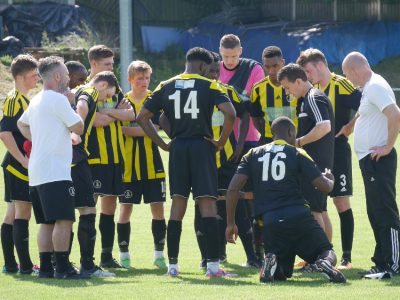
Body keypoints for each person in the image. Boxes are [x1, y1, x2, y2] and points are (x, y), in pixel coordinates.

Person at [137, 47, 236, 277]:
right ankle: (212, 267)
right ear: (202, 66)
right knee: (208, 204)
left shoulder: (165, 85)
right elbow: (230, 113)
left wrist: (163, 144)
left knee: (178, 205)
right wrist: (220, 142)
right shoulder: (209, 85)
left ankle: (172, 267)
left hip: (179, 148)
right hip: (202, 147)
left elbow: (142, 117)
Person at [225, 116, 346, 284]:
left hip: (271, 222)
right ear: (290, 132)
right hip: (299, 216)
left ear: (273, 133)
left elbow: (233, 189)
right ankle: (324, 263)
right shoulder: (297, 152)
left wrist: (231, 223)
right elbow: (324, 186)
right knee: (326, 251)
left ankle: (270, 262)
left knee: (281, 273)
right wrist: (330, 179)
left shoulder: (252, 154)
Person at [17, 56, 85, 279]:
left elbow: (21, 124)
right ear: (57, 76)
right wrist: (73, 103)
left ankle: (46, 268)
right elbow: (79, 126)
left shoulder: (36, 99)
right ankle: (63, 268)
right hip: (55, 170)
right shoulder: (58, 100)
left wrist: (39, 138)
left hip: (37, 171)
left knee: (46, 222)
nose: (68, 77)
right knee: (64, 219)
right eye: (65, 74)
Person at [297, 48, 361, 269]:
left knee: (341, 202)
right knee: (319, 207)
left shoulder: (341, 83)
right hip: (320, 155)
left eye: (308, 70)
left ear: (320, 65)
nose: (307, 75)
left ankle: (346, 257)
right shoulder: (312, 90)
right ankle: (323, 255)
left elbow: (365, 104)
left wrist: (349, 127)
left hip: (339, 152)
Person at [342, 52, 400, 279]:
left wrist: (387, 146)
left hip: (379, 159)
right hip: (369, 160)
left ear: (356, 69)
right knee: (375, 211)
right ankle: (382, 260)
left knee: (384, 210)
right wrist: (350, 127)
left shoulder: (375, 86)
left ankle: (394, 262)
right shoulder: (368, 88)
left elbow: (395, 114)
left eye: (348, 75)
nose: (349, 79)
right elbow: (365, 113)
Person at [191, 51, 248, 268]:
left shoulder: (227, 91)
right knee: (201, 206)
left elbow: (243, 113)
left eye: (217, 70)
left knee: (235, 204)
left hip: (226, 158)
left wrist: (240, 142)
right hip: (201, 160)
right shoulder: (193, 94)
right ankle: (207, 257)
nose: (214, 74)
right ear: (203, 69)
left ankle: (252, 256)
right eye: (211, 70)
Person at [85, 45, 134, 268]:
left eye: (112, 65)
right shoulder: (84, 91)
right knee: (89, 207)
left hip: (115, 157)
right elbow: (95, 121)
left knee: (110, 207)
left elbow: (131, 113)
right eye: (107, 65)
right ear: (93, 64)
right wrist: (115, 113)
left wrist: (107, 112)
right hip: (94, 158)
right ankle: (87, 259)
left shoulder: (115, 87)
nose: (111, 69)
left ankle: (106, 256)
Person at [278, 64, 335, 252]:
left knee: (314, 212)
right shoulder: (304, 100)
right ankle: (326, 255)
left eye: (287, 87)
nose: (287, 92)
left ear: (299, 81)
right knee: (320, 210)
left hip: (316, 164)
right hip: (314, 164)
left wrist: (298, 142)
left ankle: (320, 257)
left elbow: (324, 126)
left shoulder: (314, 97)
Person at [219, 33, 264, 266]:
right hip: (222, 141)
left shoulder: (254, 69)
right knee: (221, 195)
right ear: (220, 52)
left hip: (247, 141)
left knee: (249, 199)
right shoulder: (214, 69)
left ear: (241, 51)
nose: (230, 60)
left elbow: (249, 106)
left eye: (234, 55)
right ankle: (220, 252)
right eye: (226, 56)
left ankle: (256, 255)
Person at [250, 46, 298, 259]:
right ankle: (259, 250)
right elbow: (255, 116)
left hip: (295, 150)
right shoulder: (259, 88)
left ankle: (297, 249)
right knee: (263, 198)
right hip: (268, 148)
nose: (271, 70)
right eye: (267, 66)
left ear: (283, 63)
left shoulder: (295, 86)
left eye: (275, 66)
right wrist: (267, 136)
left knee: (294, 197)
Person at [118, 60, 167, 269]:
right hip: (127, 166)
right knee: (125, 210)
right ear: (130, 79)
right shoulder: (122, 102)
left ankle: (159, 254)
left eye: (147, 78)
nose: (144, 82)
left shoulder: (153, 100)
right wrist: (144, 128)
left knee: (158, 210)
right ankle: (124, 255)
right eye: (140, 78)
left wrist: (131, 128)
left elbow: (155, 127)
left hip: (153, 165)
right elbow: (120, 129)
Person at [72, 71, 119, 277]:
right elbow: (82, 106)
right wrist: (76, 130)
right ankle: (88, 266)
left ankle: (60, 263)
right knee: (88, 210)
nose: (107, 99)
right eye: (109, 94)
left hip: (68, 157)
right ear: (103, 85)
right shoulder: (90, 91)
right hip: (79, 156)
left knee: (66, 214)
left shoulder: (77, 90)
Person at [0, 54, 39, 274]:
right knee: (23, 212)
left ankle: (10, 264)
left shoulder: (24, 99)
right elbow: (5, 133)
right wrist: (23, 160)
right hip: (18, 165)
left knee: (12, 213)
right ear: (22, 76)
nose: (37, 79)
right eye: (34, 75)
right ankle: (24, 266)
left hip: (18, 164)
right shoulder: (15, 98)